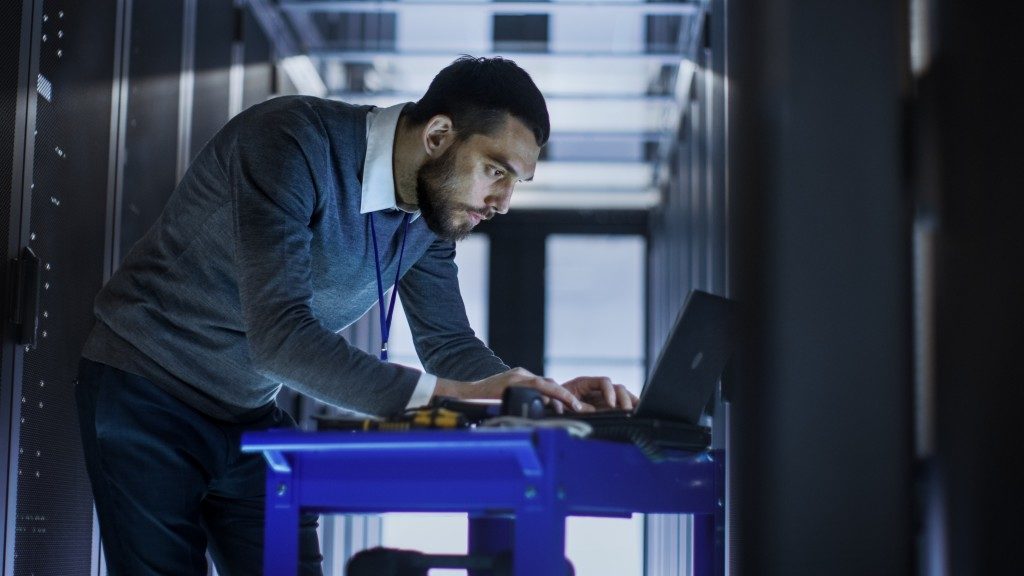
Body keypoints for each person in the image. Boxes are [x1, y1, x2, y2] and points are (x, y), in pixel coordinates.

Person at [75, 56, 638, 575]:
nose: (504, 201)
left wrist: (539, 398)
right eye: (495, 170)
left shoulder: (431, 214)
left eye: (516, 181)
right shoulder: (289, 142)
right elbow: (282, 340)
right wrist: (453, 395)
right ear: (439, 135)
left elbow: (448, 343)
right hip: (145, 390)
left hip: (246, 411)